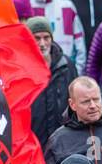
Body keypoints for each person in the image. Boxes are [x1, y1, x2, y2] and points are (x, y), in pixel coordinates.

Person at [25, 0, 85, 76]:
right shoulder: (27, 7)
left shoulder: (66, 5)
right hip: (34, 73)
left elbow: (79, 42)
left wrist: (77, 71)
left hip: (65, 70)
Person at [26, 16, 75, 149]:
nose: (42, 43)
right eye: (37, 38)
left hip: (62, 140)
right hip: (33, 140)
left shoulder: (66, 65)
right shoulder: (21, 68)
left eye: (46, 37)